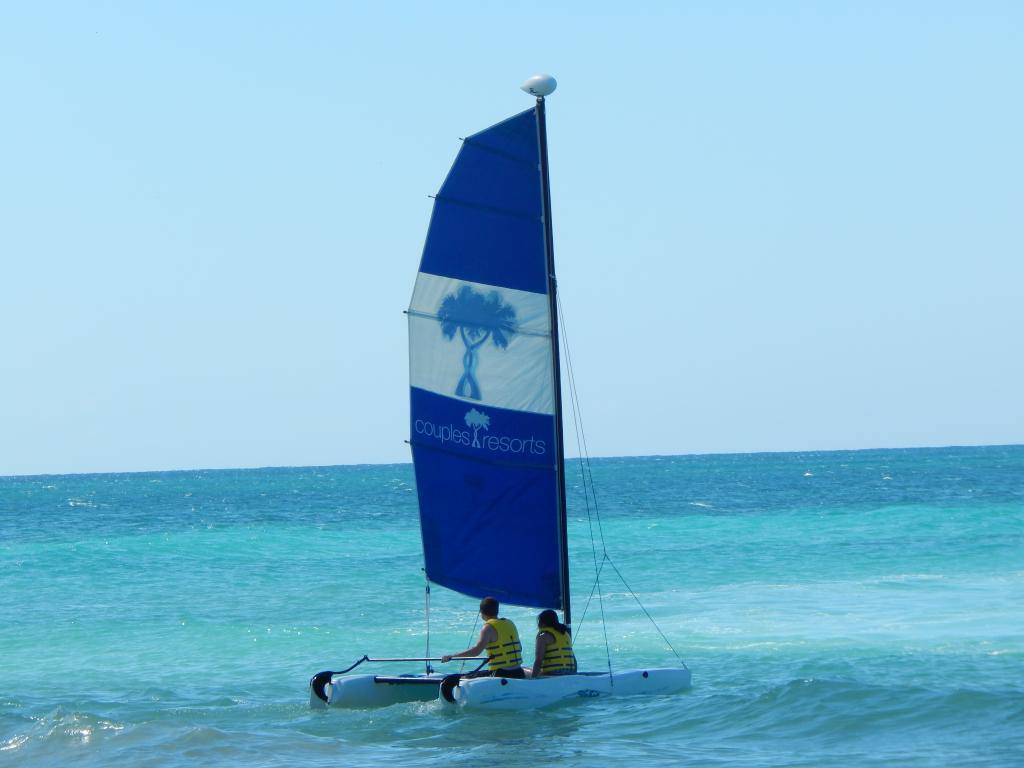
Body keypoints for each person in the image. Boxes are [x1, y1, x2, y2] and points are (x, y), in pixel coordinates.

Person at [441, 596, 524, 679]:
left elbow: (476, 652)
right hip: (519, 672)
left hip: (501, 674)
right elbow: (519, 648)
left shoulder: (488, 627)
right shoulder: (510, 623)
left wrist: (452, 656)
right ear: (497, 610)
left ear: (481, 611)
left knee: (456, 679)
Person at [528, 609, 577, 677]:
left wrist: (533, 679)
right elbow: (574, 660)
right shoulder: (565, 634)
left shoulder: (543, 636)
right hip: (571, 672)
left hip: (554, 673)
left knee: (528, 672)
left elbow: (539, 660)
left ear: (542, 623)